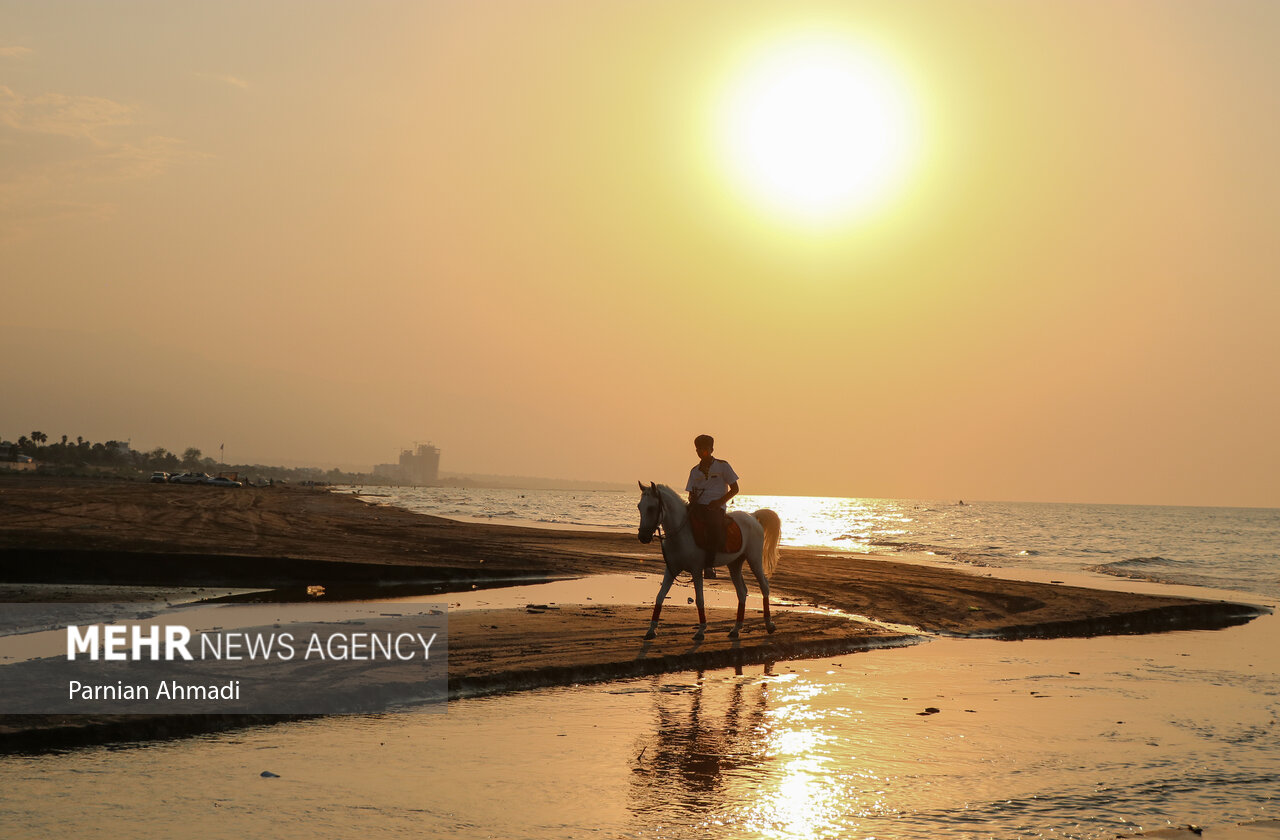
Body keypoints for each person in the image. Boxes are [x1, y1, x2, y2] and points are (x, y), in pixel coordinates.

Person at [685, 434, 739, 579]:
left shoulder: (723, 466)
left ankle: (709, 566)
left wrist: (719, 502)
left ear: (711, 449)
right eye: (698, 449)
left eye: (704, 448)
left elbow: (735, 489)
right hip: (698, 506)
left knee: (713, 526)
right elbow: (691, 492)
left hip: (716, 508)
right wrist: (692, 499)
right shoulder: (694, 471)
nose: (701, 451)